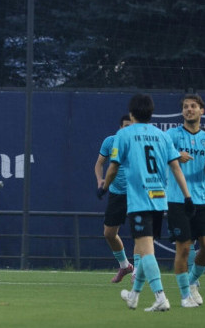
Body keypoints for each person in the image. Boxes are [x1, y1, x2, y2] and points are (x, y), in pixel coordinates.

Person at [105, 93, 193, 312]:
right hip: (158, 199)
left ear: (132, 113)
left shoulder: (124, 134)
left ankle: (161, 297)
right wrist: (187, 196)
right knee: (146, 250)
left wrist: (104, 186)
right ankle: (134, 296)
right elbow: (175, 167)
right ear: (151, 113)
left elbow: (114, 166)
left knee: (146, 252)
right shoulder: (162, 136)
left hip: (139, 200)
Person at [164, 94, 205, 307]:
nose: (189, 109)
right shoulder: (171, 135)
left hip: (201, 199)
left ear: (202, 111)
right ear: (182, 112)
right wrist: (175, 155)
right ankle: (184, 296)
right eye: (186, 107)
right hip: (177, 199)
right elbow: (160, 156)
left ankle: (191, 283)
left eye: (193, 106)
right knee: (184, 249)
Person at [95, 114, 135, 283]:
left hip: (136, 193)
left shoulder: (139, 144)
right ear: (120, 127)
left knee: (142, 235)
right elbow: (99, 164)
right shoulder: (110, 142)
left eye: (131, 126)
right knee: (109, 234)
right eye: (126, 126)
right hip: (116, 193)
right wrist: (100, 181)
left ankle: (138, 271)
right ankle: (125, 265)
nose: (128, 129)